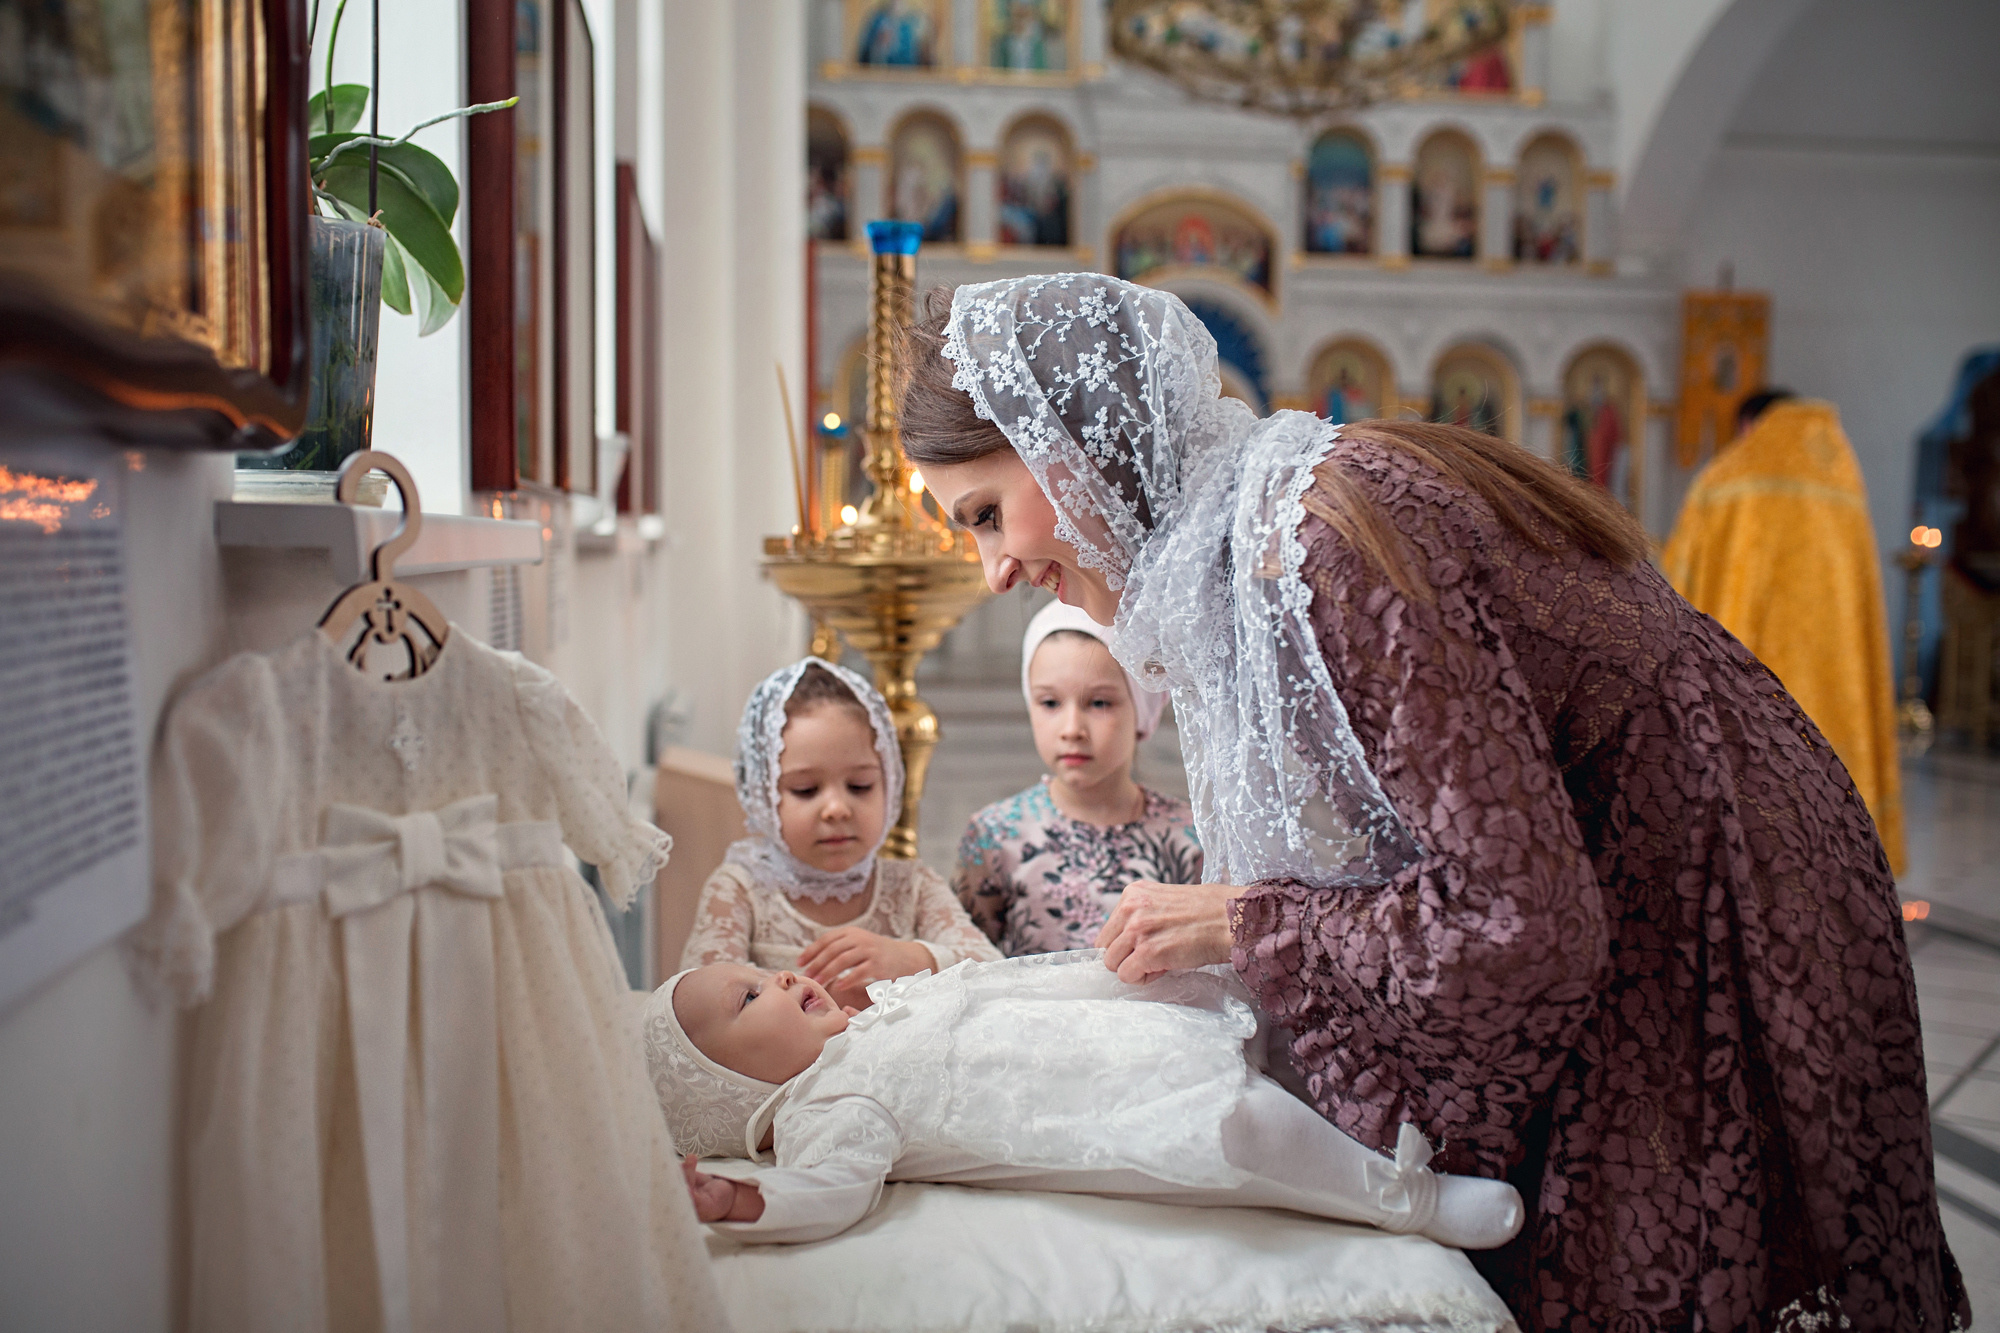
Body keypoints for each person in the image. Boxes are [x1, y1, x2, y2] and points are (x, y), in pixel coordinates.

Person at [898, 274, 1967, 1330]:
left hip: (1702, 881)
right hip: (1638, 850)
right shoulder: (1246, 534)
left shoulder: (1321, 548)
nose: (992, 568)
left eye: (987, 513)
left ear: (1070, 441)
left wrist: (1246, 922)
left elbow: (1521, 923)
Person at [645, 952, 1525, 1248]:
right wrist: (745, 1202)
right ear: (737, 1084)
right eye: (751, 997)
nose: (784, 974)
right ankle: (1404, 1198)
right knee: (1245, 1128)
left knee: (1241, 1003)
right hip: (1089, 1104)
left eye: (763, 969)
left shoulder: (867, 1015)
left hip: (1108, 1025)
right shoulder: (824, 1107)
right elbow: (829, 1187)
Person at [1662, 390, 1906, 875]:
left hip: (1743, 679)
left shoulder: (1727, 477)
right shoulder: (1841, 477)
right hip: (1837, 684)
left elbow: (1677, 582)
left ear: (1750, 424)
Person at [679, 657, 999, 1009]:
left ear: (890, 782)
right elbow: (702, 1012)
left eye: (860, 786)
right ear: (762, 795)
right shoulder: (740, 891)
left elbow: (1000, 975)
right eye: (805, 789)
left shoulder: (912, 888)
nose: (837, 809)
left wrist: (915, 960)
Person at [955, 600, 1202, 956]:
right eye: (1050, 704)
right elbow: (965, 964)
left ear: (1142, 709)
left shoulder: (1191, 838)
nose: (1072, 729)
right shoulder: (994, 835)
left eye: (1099, 703)